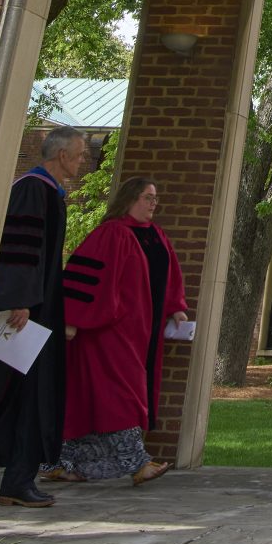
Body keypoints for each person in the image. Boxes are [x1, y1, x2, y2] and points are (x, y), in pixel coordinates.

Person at [0, 125, 89, 507]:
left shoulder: (51, 192)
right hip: (22, 312)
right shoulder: (32, 188)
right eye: (79, 154)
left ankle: (17, 482)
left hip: (38, 309)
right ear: (62, 155)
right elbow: (18, 248)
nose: (83, 161)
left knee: (31, 397)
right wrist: (18, 300)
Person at [55, 176, 190, 486]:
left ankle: (62, 461)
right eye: (147, 197)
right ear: (129, 199)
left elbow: (170, 276)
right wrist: (73, 319)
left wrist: (175, 306)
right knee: (122, 396)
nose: (154, 203)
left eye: (155, 197)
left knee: (102, 398)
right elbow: (84, 280)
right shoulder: (110, 234)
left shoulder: (156, 235)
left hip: (143, 333)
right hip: (108, 332)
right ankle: (138, 463)